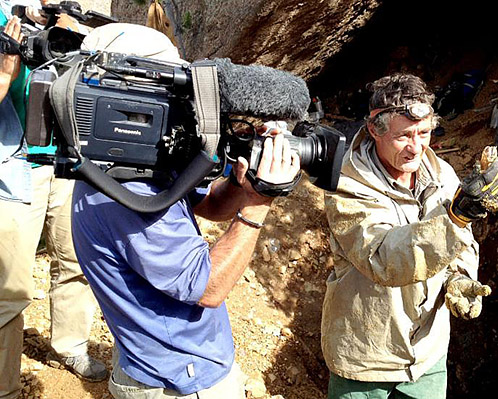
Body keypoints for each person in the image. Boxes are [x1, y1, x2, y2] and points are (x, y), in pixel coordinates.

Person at [70, 24, 302, 398]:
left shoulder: (126, 158)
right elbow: (207, 287)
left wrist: (244, 183)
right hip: (177, 379)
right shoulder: (124, 189)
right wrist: (260, 203)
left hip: (172, 361)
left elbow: (208, 204)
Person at [321, 73, 498, 399]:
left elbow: (461, 240)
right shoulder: (347, 185)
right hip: (366, 360)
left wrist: (459, 278)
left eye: (424, 133)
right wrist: (456, 218)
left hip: (427, 356)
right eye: (404, 136)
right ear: (374, 129)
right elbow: (382, 260)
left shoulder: (441, 174)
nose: (416, 147)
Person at [0, 6, 107, 399]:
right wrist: (6, 68)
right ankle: (5, 388)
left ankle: (71, 346)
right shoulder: (3, 18)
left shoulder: (64, 19)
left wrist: (75, 34)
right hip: (11, 169)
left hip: (64, 160)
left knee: (74, 260)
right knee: (9, 288)